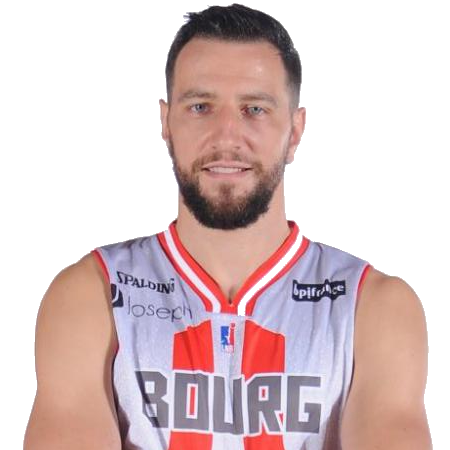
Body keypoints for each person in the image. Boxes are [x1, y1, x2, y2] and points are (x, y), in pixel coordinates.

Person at [23, 3, 432, 450]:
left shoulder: (372, 308)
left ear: (295, 131)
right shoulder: (92, 296)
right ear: (166, 122)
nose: (226, 136)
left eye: (254, 109)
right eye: (200, 107)